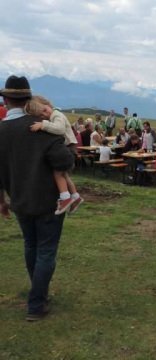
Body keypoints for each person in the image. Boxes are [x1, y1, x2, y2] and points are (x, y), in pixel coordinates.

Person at [0, 75, 74, 321]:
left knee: (31, 246)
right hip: (48, 202)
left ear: (6, 100)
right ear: (27, 99)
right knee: (46, 251)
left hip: (19, 201)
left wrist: (2, 201)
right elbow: (64, 161)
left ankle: (38, 293)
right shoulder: (41, 126)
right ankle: (36, 302)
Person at [26, 95, 84, 215]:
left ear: (48, 104)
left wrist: (43, 125)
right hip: (69, 149)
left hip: (68, 149)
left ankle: (65, 198)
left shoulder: (57, 115)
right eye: (41, 115)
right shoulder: (53, 115)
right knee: (64, 175)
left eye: (45, 110)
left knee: (57, 174)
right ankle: (75, 196)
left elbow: (60, 129)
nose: (45, 114)